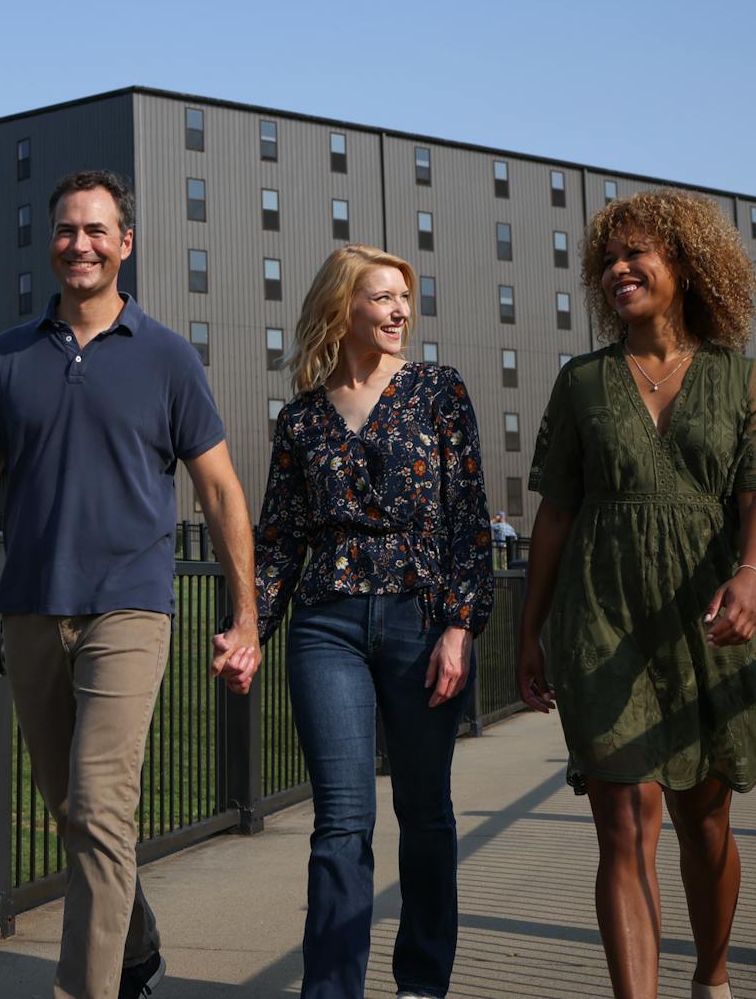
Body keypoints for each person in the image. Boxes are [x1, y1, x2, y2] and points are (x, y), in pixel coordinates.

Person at [0, 169, 260, 999]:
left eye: (98, 230)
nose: (81, 244)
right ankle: (134, 945)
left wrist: (246, 612)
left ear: (125, 244)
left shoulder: (169, 357)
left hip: (130, 607)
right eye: (68, 230)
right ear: (53, 244)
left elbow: (219, 489)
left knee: (101, 808)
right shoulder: (7, 356)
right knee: (74, 812)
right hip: (30, 606)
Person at [517, 189, 756, 999]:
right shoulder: (582, 383)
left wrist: (749, 576)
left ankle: (711, 976)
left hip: (706, 620)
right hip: (600, 620)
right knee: (622, 828)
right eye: (608, 259)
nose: (618, 269)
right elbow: (555, 515)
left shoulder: (740, 379)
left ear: (686, 262)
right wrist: (531, 630)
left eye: (637, 253)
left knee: (704, 822)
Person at [254, 245, 492, 999]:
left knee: (423, 812)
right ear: (342, 306)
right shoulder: (300, 420)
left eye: (403, 298)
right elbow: (280, 538)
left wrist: (459, 626)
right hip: (324, 628)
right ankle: (330, 991)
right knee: (341, 824)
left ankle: (422, 980)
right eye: (381, 297)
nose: (398, 311)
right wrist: (246, 628)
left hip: (419, 624)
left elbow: (468, 522)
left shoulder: (437, 391)